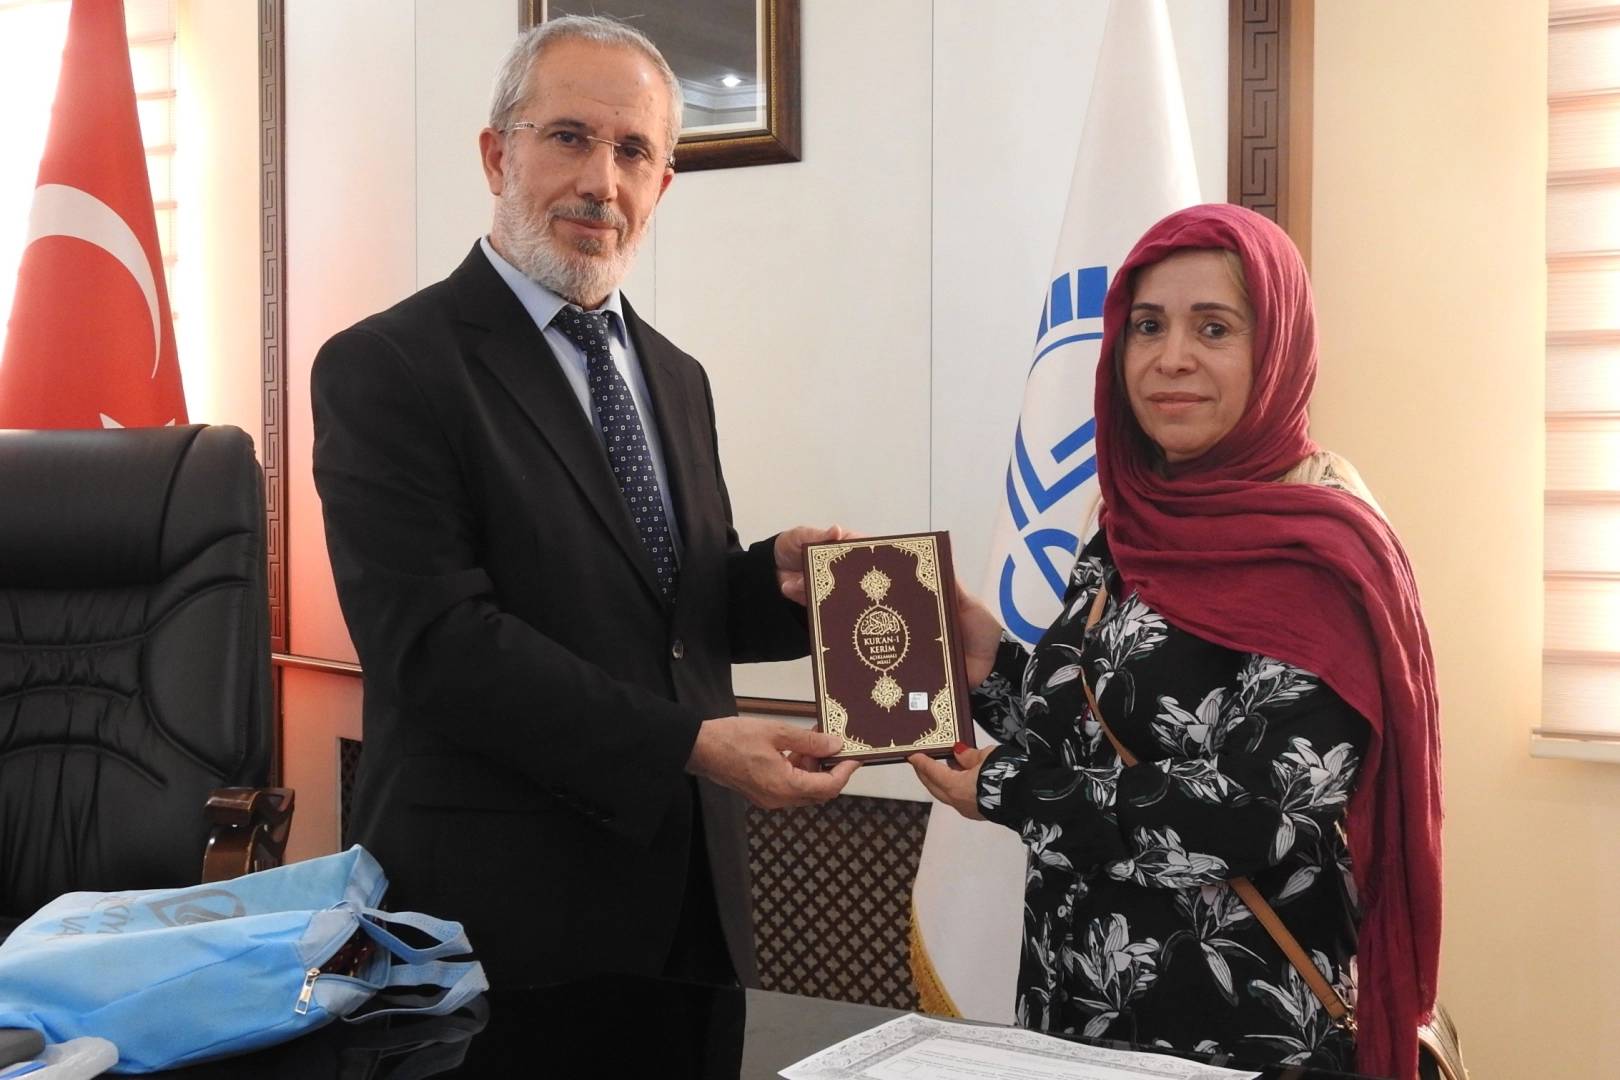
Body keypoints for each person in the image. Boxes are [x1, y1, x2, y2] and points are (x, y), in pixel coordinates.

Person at [310, 16, 859, 991]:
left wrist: (779, 584)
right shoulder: (386, 366)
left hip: (692, 902)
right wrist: (690, 745)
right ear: (497, 155)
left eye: (634, 151)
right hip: (499, 917)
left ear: (663, 186)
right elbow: (436, 646)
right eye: (570, 137)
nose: (602, 182)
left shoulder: (677, 376)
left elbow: (672, 612)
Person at [911, 204, 1442, 1080]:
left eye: (1215, 327)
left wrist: (1008, 791)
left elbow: (1255, 813)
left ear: (1277, 350)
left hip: (1239, 1029)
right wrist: (989, 665)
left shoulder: (1325, 556)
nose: (1172, 357)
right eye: (1147, 326)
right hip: (1076, 1006)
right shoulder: (1125, 525)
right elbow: (1098, 733)